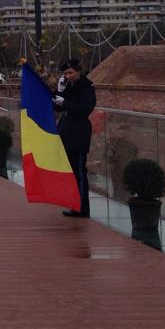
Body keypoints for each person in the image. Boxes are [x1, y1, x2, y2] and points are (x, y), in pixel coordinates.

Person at [53, 58, 96, 218]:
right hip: (66, 131)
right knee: (71, 171)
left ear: (78, 71)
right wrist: (59, 91)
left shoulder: (87, 87)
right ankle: (75, 204)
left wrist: (65, 102)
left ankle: (82, 208)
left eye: (70, 73)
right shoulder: (69, 87)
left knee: (79, 171)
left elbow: (85, 109)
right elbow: (57, 106)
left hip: (78, 133)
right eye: (65, 73)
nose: (68, 76)